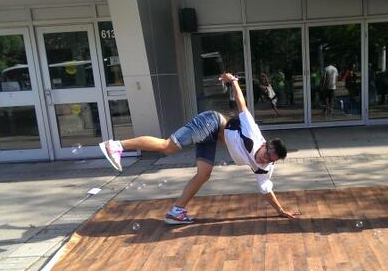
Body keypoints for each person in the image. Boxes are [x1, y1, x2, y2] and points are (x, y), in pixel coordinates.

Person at [99, 72, 300, 224]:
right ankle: (116, 145)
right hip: (210, 121)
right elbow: (241, 105)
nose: (265, 159)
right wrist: (234, 82)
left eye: (270, 159)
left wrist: (281, 211)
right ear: (265, 145)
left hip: (213, 136)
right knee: (167, 146)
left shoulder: (264, 169)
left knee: (204, 174)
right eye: (266, 154)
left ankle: (176, 212)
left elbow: (266, 189)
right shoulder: (253, 133)